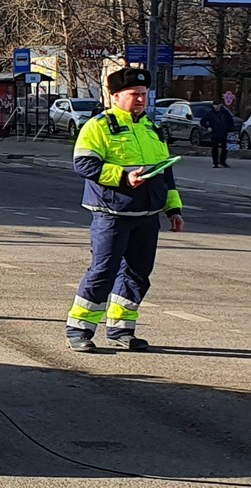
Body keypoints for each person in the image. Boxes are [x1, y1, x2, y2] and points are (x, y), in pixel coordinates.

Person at [65, 66, 185, 352]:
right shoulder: (98, 126)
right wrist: (122, 177)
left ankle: (121, 329)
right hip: (111, 214)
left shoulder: (151, 129)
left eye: (144, 95)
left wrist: (173, 210)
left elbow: (165, 175)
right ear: (115, 96)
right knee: (103, 272)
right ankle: (79, 329)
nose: (141, 100)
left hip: (147, 216)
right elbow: (84, 165)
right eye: (135, 95)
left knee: (138, 274)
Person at [204, 101, 237, 168]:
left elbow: (230, 121)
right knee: (215, 148)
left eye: (217, 104)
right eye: (215, 105)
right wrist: (207, 127)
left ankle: (223, 161)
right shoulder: (210, 113)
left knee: (224, 148)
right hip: (214, 133)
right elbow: (203, 121)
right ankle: (215, 163)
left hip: (224, 132)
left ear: (220, 105)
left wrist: (230, 129)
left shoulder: (225, 112)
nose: (216, 106)